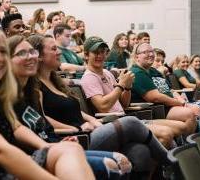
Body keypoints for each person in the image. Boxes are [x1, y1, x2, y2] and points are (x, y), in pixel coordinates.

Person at [0, 24, 95, 180]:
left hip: (5, 169)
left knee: (70, 149)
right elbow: (1, 152)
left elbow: (16, 127)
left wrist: (46, 146)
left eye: (3, 51)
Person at [28, 34, 177, 178]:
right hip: (78, 137)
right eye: (54, 49)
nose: (59, 51)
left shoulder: (57, 82)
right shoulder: (36, 87)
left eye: (103, 52)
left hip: (93, 127)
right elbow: (43, 118)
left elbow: (81, 110)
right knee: (133, 122)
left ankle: (171, 168)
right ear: (39, 55)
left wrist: (126, 88)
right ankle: (175, 163)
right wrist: (76, 129)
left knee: (140, 152)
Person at [8, 35, 131, 179]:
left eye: (32, 52)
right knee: (114, 159)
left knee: (124, 160)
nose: (31, 57)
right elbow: (17, 131)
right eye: (22, 53)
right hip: (45, 150)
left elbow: (43, 125)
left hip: (61, 142)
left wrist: (61, 139)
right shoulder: (7, 96)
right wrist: (66, 134)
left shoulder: (31, 92)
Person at [80, 36, 191, 143]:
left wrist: (127, 88)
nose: (100, 55)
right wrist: (121, 86)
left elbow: (124, 104)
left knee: (182, 127)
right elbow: (103, 107)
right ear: (86, 55)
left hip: (126, 118)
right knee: (166, 134)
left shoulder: (107, 73)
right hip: (113, 124)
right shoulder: (89, 77)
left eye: (103, 52)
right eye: (96, 52)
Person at [129, 43, 200, 134]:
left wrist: (181, 100)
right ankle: (187, 144)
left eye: (151, 52)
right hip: (157, 109)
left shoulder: (153, 70)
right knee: (189, 114)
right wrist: (177, 102)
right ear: (136, 57)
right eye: (145, 52)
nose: (151, 54)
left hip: (169, 105)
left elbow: (170, 89)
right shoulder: (137, 72)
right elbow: (155, 97)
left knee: (197, 109)